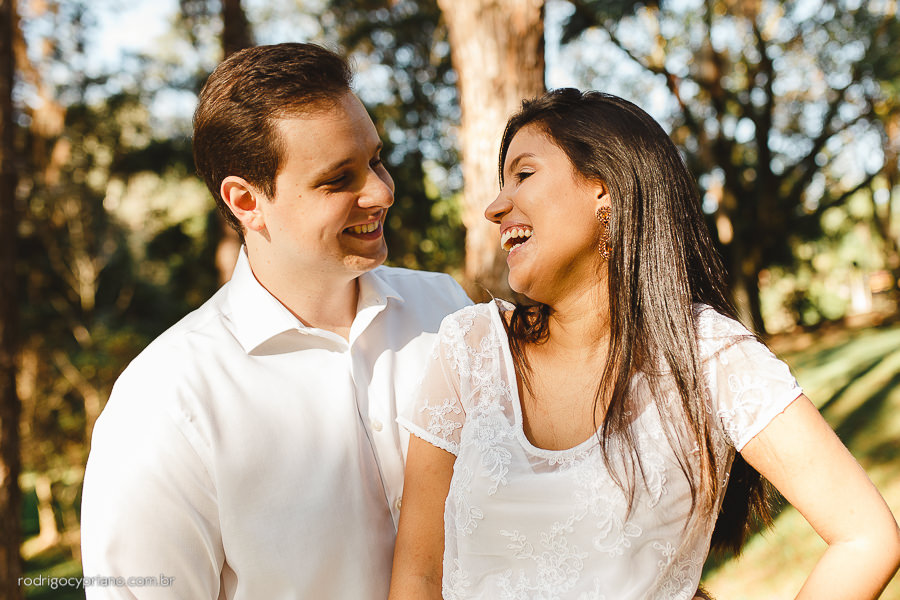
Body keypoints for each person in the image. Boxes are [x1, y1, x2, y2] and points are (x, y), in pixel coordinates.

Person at [389, 89, 900, 599]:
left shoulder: (709, 356)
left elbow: (865, 536)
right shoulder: (471, 348)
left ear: (605, 188)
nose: (495, 207)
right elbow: (416, 577)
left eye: (523, 175)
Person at [80, 43, 471, 599]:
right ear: (246, 201)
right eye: (339, 179)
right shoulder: (166, 400)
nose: (382, 192)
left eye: (376, 161)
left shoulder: (448, 311)